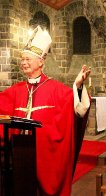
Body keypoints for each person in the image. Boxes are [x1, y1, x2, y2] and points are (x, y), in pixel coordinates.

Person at [0, 26, 91, 195]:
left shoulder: (56, 89)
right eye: (22, 59)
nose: (24, 63)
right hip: (18, 155)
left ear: (41, 62)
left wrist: (78, 87)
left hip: (44, 158)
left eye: (28, 59)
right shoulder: (15, 90)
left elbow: (78, 109)